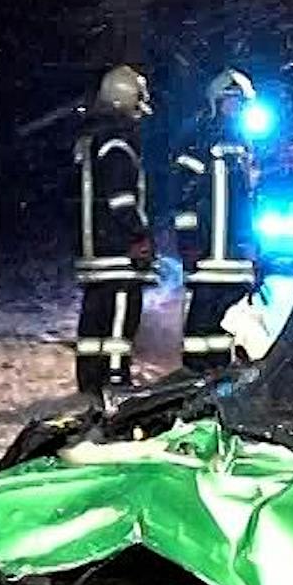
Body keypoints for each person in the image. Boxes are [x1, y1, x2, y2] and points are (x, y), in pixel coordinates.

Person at [73, 64, 156, 393]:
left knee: (94, 319)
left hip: (94, 248)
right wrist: (139, 234)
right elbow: (121, 199)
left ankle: (90, 379)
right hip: (117, 252)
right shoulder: (118, 144)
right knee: (121, 317)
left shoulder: (90, 141)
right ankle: (115, 378)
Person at [174, 68, 261, 372]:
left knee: (229, 320)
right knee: (201, 319)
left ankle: (220, 373)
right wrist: (188, 244)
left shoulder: (247, 146)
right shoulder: (198, 140)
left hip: (236, 256)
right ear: (216, 102)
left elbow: (249, 203)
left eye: (240, 101)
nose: (235, 107)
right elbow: (184, 199)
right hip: (207, 254)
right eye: (230, 100)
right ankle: (195, 372)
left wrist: (252, 244)